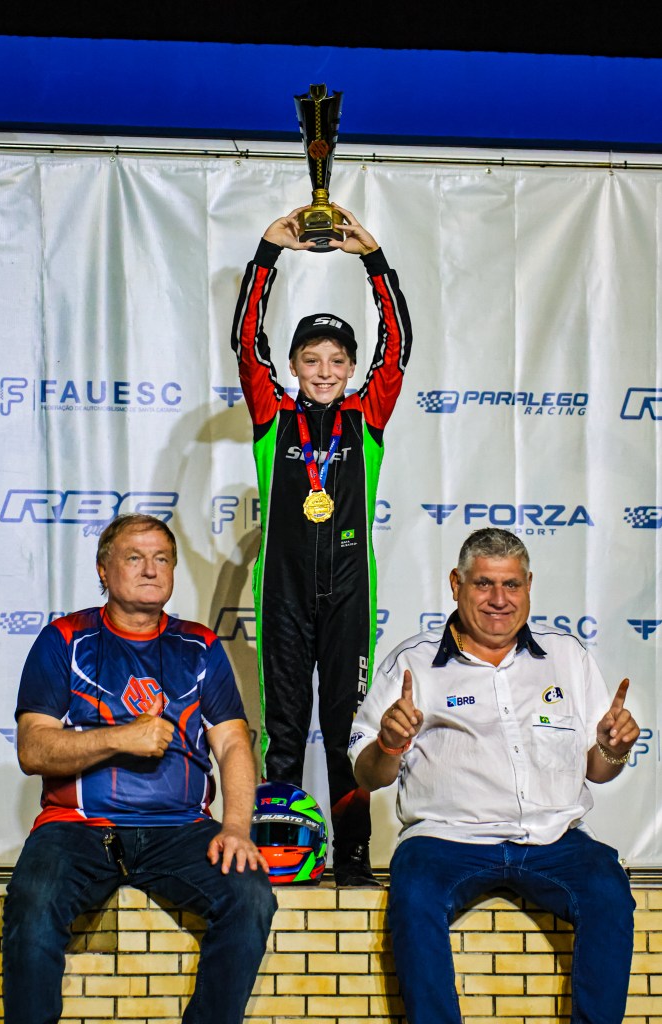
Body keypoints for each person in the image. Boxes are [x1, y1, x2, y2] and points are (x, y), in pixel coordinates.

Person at [348, 527, 639, 1024]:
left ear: (529, 586)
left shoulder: (567, 657)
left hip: (554, 839)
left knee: (609, 891)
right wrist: (389, 745)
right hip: (445, 840)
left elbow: (598, 769)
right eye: (483, 584)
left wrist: (613, 750)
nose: (498, 600)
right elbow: (367, 775)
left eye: (511, 585)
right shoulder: (413, 663)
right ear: (456, 584)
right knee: (413, 895)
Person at [3, 513, 276, 1024]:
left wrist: (237, 828)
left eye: (162, 559)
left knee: (250, 897)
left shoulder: (200, 646)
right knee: (32, 904)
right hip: (77, 829)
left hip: (181, 829)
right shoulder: (64, 638)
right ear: (103, 570)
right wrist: (120, 738)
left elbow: (234, 744)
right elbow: (32, 749)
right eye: (134, 557)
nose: (151, 569)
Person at [231, 204, 412, 886]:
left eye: (337, 360)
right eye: (311, 359)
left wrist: (373, 260)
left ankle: (353, 854)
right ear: (293, 365)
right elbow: (244, 342)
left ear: (352, 367)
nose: (325, 370)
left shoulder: (366, 417)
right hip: (280, 592)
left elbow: (397, 346)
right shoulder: (272, 415)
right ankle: (277, 851)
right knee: (282, 729)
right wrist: (267, 251)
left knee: (347, 729)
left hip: (349, 595)